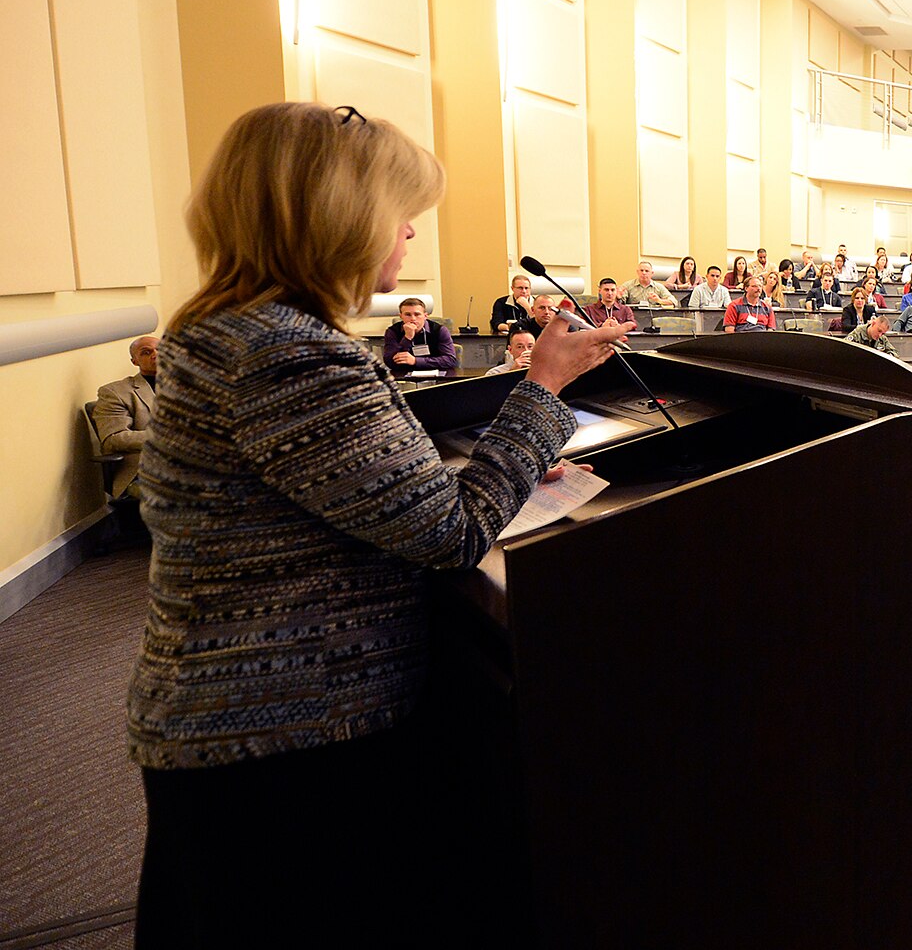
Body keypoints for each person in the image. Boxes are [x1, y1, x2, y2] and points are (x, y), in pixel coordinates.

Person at [126, 102, 628, 943]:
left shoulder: (230, 330)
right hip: (285, 744)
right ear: (337, 218)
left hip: (239, 729)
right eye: (399, 214)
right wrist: (541, 388)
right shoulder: (289, 352)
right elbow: (452, 532)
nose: (407, 236)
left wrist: (500, 464)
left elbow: (352, 492)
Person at [93, 336, 159, 500]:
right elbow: (113, 438)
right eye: (146, 352)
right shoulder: (116, 392)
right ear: (135, 361)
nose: (156, 354)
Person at [383, 297, 460, 377]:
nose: (413, 319)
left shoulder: (440, 330)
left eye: (417, 314)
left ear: (425, 316)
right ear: (401, 316)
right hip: (404, 377)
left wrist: (415, 361)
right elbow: (390, 362)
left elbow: (450, 360)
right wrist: (407, 338)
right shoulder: (392, 332)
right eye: (408, 315)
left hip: (437, 376)